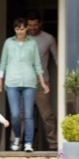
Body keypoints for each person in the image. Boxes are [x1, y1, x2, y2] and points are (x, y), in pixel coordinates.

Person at [0, 17, 49, 152]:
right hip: (12, 82)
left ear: (26, 29)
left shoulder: (32, 44)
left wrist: (42, 82)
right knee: (15, 114)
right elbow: (3, 63)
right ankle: (18, 137)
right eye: (17, 29)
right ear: (15, 29)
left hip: (29, 82)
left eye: (22, 29)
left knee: (29, 115)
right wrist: (0, 80)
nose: (20, 31)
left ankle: (28, 143)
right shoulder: (8, 43)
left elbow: (37, 64)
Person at [26, 10, 58, 149]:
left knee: (46, 115)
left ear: (40, 24)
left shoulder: (48, 38)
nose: (32, 28)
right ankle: (18, 143)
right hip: (24, 81)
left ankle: (53, 144)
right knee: (22, 115)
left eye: (35, 25)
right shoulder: (21, 39)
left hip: (42, 81)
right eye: (30, 25)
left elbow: (57, 58)